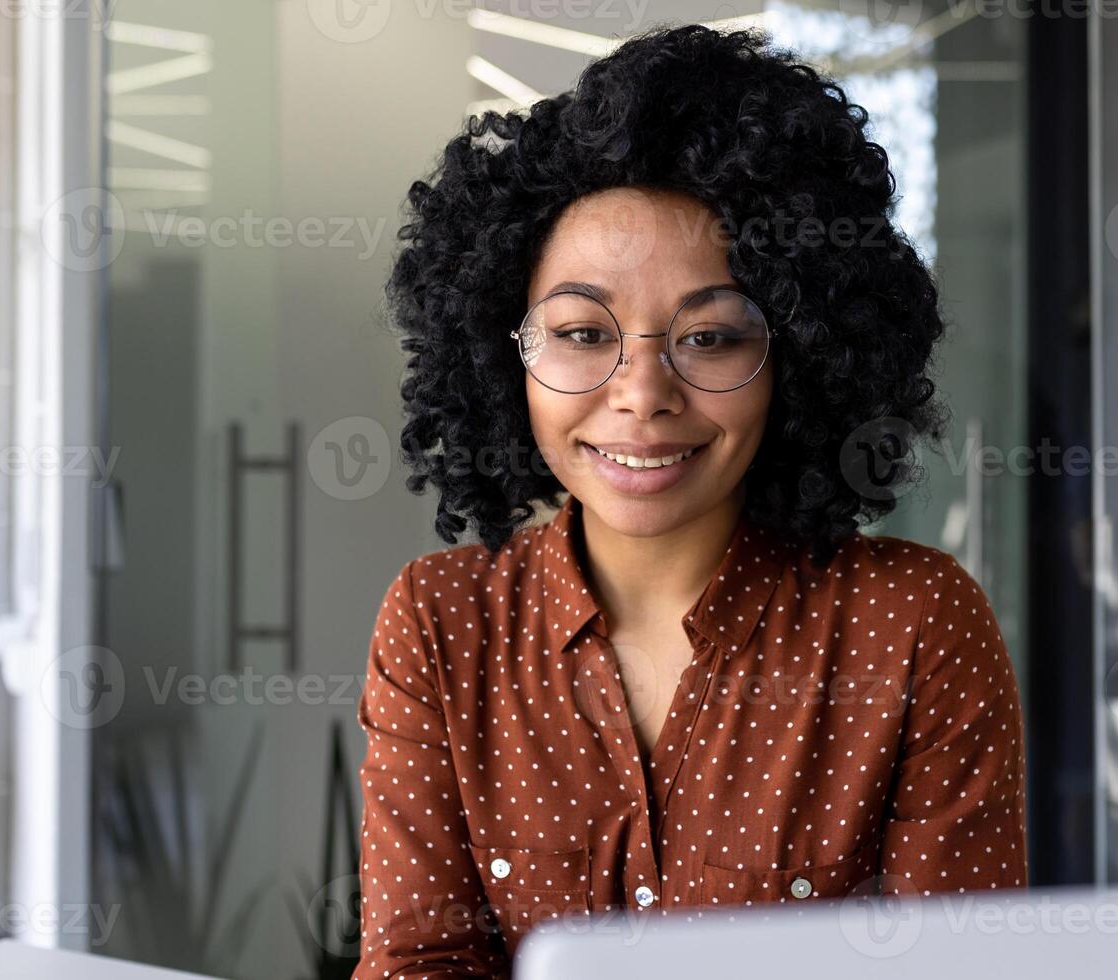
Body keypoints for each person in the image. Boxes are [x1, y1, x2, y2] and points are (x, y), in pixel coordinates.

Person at [353, 23, 1026, 978]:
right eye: (583, 332)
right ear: (504, 357)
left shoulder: (914, 628)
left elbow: (968, 971)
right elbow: (420, 962)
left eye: (709, 339)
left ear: (797, 358)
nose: (642, 392)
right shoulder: (441, 628)